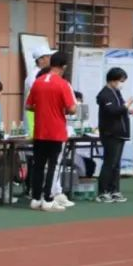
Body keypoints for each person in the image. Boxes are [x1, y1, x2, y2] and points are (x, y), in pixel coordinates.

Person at [25, 51, 76, 212]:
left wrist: (43, 109)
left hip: (40, 130)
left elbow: (28, 105)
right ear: (64, 66)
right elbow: (72, 109)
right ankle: (48, 199)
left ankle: (35, 199)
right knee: (53, 166)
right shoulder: (63, 84)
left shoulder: (38, 82)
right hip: (56, 131)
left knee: (38, 165)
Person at [95, 67, 133, 203]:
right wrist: (125, 107)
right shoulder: (104, 94)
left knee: (116, 164)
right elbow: (112, 111)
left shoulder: (116, 92)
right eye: (120, 81)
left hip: (120, 133)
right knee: (109, 163)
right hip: (110, 133)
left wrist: (128, 110)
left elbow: (120, 108)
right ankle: (102, 192)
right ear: (113, 80)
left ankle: (114, 190)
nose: (121, 84)